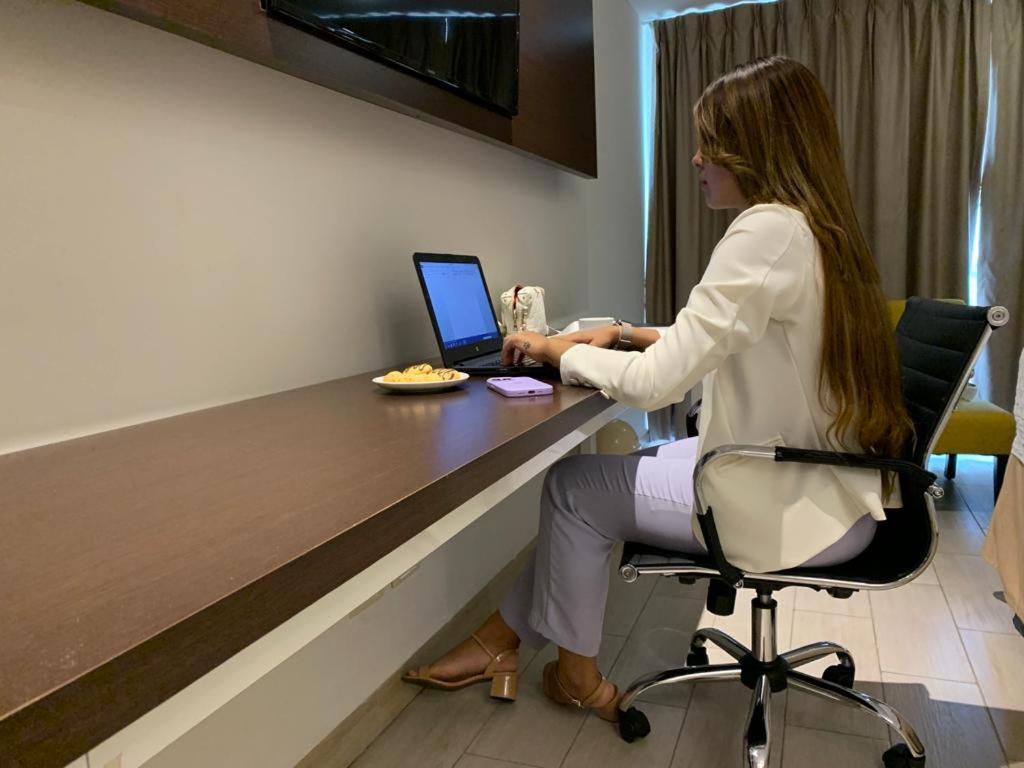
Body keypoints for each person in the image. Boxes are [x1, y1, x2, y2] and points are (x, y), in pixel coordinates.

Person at [402, 55, 913, 724]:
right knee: (606, 479)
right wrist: (621, 332)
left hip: (789, 503)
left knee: (572, 489)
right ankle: (497, 641)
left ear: (756, 145)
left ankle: (576, 680)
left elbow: (654, 386)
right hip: (825, 486)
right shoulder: (813, 229)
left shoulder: (766, 230)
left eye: (712, 141)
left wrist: (559, 351)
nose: (697, 157)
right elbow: (726, 335)